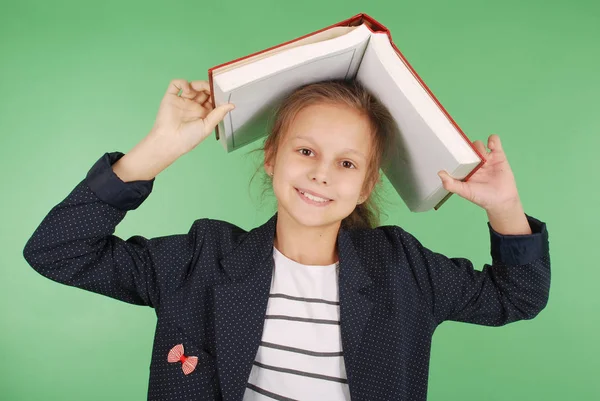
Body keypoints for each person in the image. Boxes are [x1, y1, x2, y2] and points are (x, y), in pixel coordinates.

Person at [23, 78, 550, 401]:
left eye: (346, 163)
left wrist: (504, 207)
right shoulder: (202, 259)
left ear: (366, 183)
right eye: (305, 151)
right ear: (272, 157)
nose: (322, 174)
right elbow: (57, 250)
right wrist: (156, 150)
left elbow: (518, 296)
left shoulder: (401, 268)